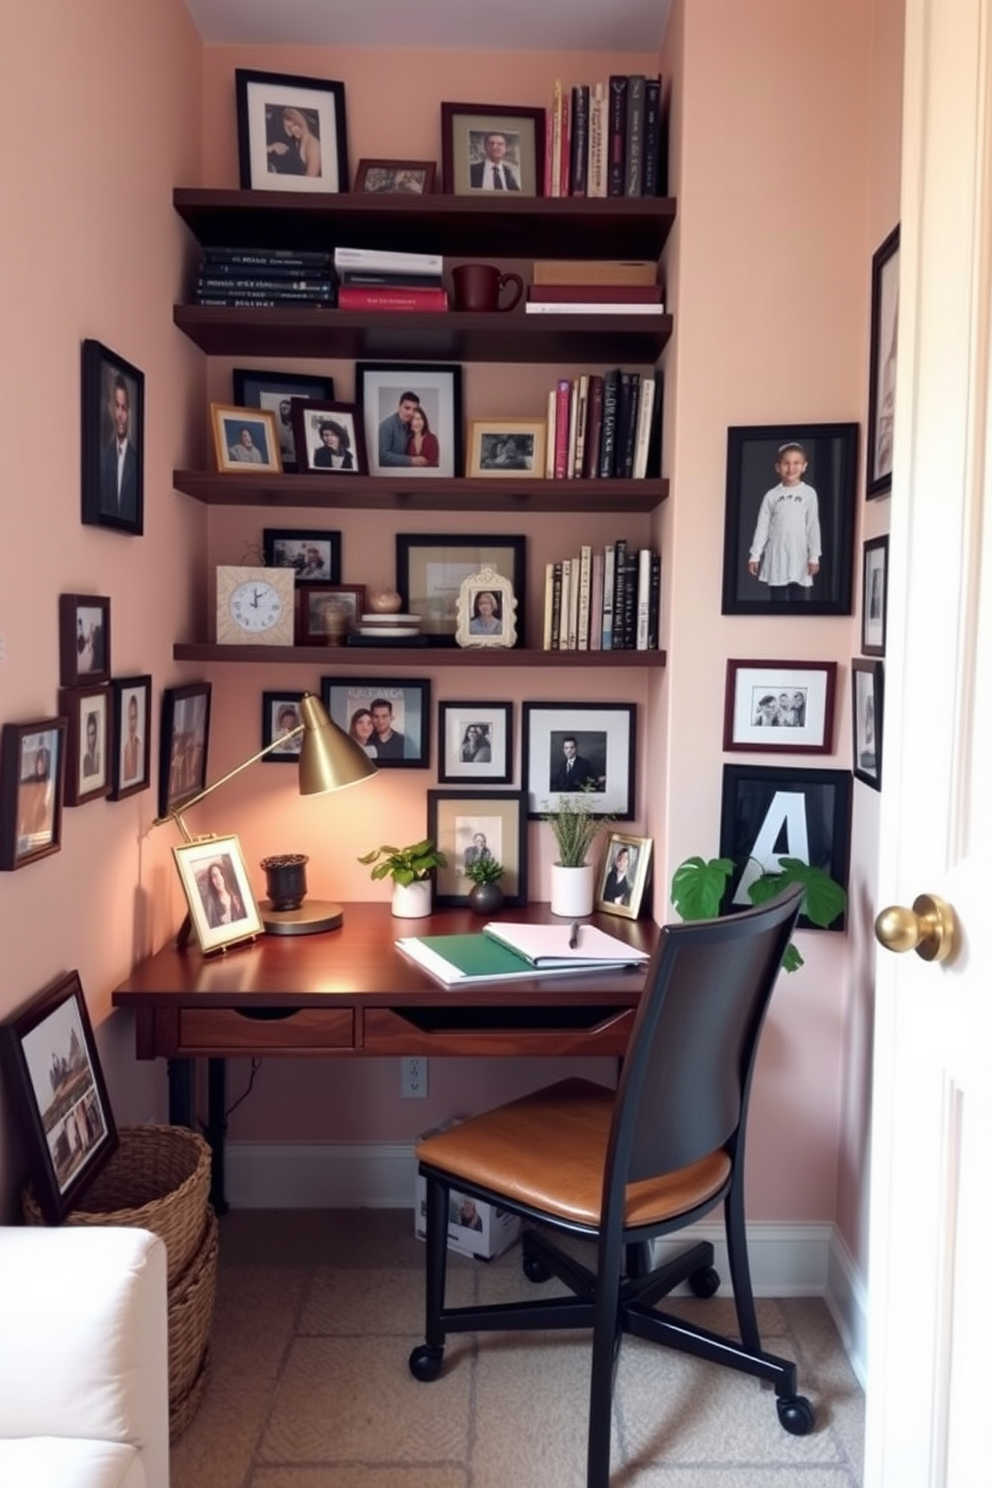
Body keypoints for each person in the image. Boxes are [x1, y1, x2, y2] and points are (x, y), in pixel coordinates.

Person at [747, 441, 822, 601]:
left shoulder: (809, 494)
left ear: (804, 466)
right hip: (777, 555)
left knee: (798, 601)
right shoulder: (771, 495)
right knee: (777, 600)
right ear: (778, 467)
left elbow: (813, 526)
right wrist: (755, 556)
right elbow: (762, 527)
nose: (791, 468)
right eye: (786, 463)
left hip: (799, 555)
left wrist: (814, 556)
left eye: (796, 463)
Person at [99, 372, 139, 520]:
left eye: (124, 407)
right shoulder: (103, 459)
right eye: (117, 406)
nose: (120, 415)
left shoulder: (136, 462)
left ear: (129, 412)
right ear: (111, 409)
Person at [267, 106, 322, 177]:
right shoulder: (294, 141)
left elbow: (311, 180)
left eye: (291, 127)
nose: (293, 130)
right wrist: (271, 148)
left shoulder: (313, 145)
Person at [378, 392, 430, 468]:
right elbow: (383, 457)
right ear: (399, 406)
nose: (410, 413)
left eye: (414, 409)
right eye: (407, 408)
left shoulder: (411, 426)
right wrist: (411, 460)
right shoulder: (386, 426)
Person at [17, 743, 54, 849]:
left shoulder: (49, 784)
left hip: (38, 830)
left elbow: (44, 810)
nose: (41, 765)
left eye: (44, 762)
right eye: (40, 761)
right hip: (25, 826)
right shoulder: (28, 782)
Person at [200, 859, 247, 928]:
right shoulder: (211, 904)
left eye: (221, 874)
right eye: (214, 876)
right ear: (211, 881)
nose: (218, 878)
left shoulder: (236, 899)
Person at [121, 693, 142, 782]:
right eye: (130, 718)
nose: (132, 724)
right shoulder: (124, 750)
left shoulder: (140, 746)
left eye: (134, 718)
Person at [82, 711, 100, 778]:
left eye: (94, 733)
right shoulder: (86, 760)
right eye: (90, 734)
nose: (93, 738)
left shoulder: (99, 757)